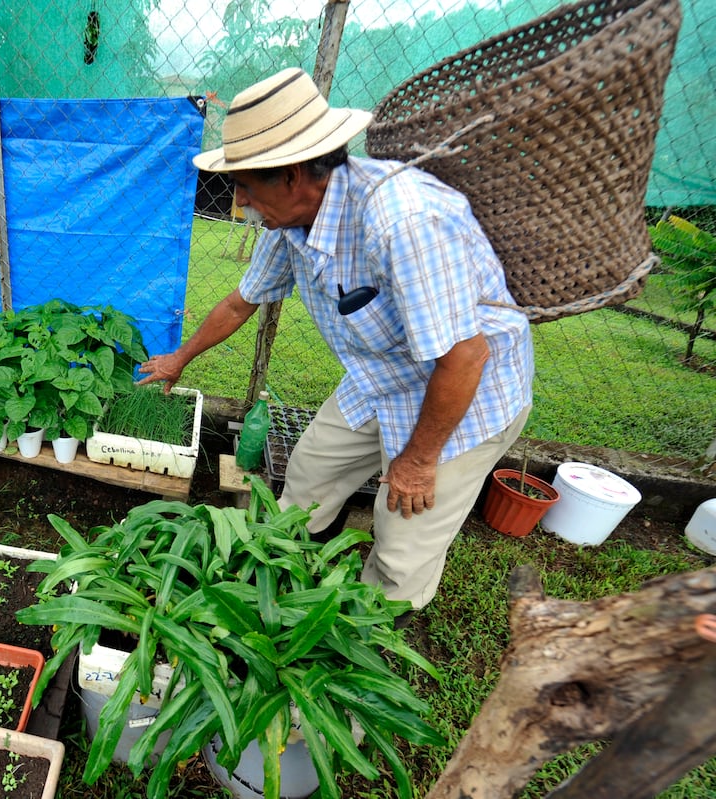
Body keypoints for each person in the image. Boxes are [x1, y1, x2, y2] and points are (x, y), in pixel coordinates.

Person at [138, 67, 534, 611]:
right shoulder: (293, 222)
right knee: (308, 478)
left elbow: (466, 356)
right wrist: (179, 359)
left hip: (465, 393)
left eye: (248, 188)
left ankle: (359, 641)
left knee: (401, 540)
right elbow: (239, 302)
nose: (244, 203)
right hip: (384, 378)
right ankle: (279, 582)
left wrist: (417, 460)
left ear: (293, 174)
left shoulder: (402, 220)